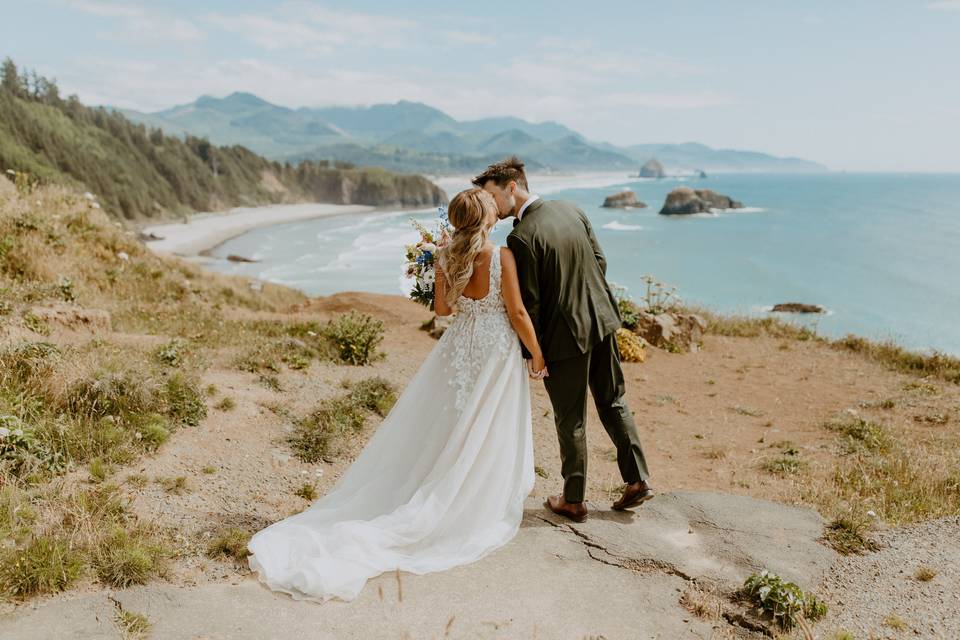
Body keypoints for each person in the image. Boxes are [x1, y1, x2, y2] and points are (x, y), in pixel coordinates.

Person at [247, 187, 544, 602]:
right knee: (488, 421)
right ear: (488, 219)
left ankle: (443, 478)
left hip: (460, 345)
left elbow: (443, 312)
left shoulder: (445, 256)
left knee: (451, 420)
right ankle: (473, 492)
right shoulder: (501, 257)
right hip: (495, 348)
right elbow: (516, 312)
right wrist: (537, 353)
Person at [474, 156, 654, 524]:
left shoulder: (520, 237)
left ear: (512, 186)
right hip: (602, 321)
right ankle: (637, 479)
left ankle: (573, 500)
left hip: (564, 338)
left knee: (570, 418)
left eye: (492, 196)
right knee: (614, 400)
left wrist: (532, 353)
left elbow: (531, 304)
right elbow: (599, 262)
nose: (490, 206)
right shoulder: (571, 209)